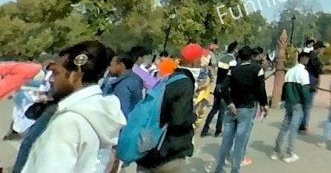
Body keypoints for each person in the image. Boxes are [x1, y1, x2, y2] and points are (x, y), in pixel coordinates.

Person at [16, 40, 126, 173]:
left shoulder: (68, 122)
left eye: (56, 73)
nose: (51, 80)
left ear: (76, 73)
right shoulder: (101, 114)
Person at [135, 43, 202, 172]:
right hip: (168, 153)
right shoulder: (185, 82)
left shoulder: (168, 75)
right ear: (195, 60)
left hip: (147, 145)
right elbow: (178, 120)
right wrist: (193, 116)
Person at [213, 46, 268, 173]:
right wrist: (264, 104)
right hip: (247, 108)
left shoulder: (233, 70)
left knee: (226, 140)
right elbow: (261, 88)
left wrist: (229, 102)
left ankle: (219, 168)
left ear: (239, 57)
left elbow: (223, 87)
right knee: (240, 142)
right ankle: (235, 169)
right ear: (250, 57)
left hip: (232, 108)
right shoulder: (257, 69)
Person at [272, 52, 311, 162]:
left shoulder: (290, 71)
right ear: (303, 58)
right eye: (307, 58)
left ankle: (276, 150)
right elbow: (305, 90)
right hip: (297, 102)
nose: (308, 60)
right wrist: (307, 103)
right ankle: (290, 152)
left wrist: (283, 100)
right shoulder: (304, 72)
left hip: (288, 101)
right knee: (293, 128)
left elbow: (284, 88)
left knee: (284, 126)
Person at [201, 41, 237, 138]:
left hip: (218, 86)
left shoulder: (222, 59)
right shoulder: (232, 61)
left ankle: (205, 129)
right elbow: (231, 76)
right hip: (225, 88)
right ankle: (218, 131)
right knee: (222, 110)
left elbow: (220, 74)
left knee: (214, 110)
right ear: (234, 50)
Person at [101, 53, 145, 118]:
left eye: (111, 65)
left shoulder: (122, 85)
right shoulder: (135, 79)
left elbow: (122, 112)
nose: (109, 68)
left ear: (120, 65)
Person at [298, 42, 324, 133]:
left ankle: (301, 124)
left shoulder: (310, 56)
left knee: (304, 105)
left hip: (307, 82)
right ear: (319, 48)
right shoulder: (313, 57)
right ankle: (303, 125)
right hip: (310, 82)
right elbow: (319, 69)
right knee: (307, 106)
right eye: (322, 48)